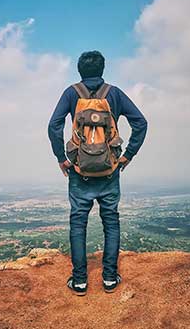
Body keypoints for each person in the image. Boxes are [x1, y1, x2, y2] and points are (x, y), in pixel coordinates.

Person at [48, 51, 148, 295]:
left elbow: (54, 125)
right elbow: (141, 123)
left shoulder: (72, 93)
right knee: (111, 222)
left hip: (80, 172)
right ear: (102, 69)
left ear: (79, 70)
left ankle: (80, 281)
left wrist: (61, 158)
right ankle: (110, 279)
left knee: (78, 223)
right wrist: (127, 156)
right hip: (109, 171)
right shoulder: (114, 93)